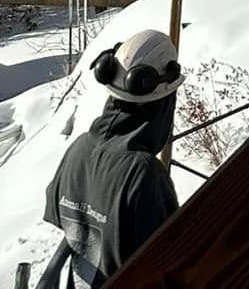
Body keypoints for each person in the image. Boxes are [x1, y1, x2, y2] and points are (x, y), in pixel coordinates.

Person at [38, 28, 183, 288]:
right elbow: (173, 266)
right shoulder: (143, 172)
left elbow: (65, 221)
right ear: (163, 101)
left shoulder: (78, 149)